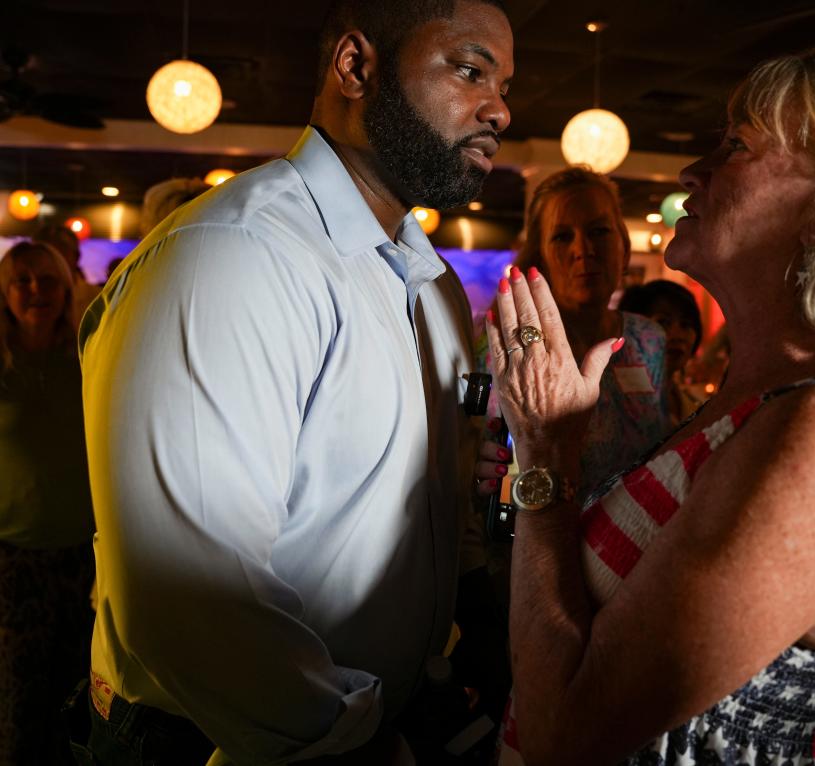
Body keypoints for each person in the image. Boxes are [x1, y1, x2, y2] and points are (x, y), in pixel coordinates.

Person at [484, 45, 815, 765]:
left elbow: (564, 738)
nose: (690, 172)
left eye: (736, 145)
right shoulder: (766, 393)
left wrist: (546, 453)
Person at [75, 1, 513, 764]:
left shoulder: (433, 286)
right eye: (470, 70)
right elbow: (193, 605)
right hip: (231, 740)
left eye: (505, 83)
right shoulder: (236, 254)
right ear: (355, 67)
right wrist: (359, 740)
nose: (500, 108)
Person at [477, 168, 669, 504]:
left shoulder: (649, 339)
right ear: (541, 256)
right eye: (562, 236)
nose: (584, 249)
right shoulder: (507, 345)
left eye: (599, 231)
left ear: (623, 248)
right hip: (534, 539)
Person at [0, 241, 95, 764]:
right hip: (14, 557)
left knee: (77, 692)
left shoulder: (86, 353)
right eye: (23, 280)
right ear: (5, 293)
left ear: (66, 288)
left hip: (84, 555)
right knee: (19, 697)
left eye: (48, 279)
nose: (37, 290)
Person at [619, 279, 704, 425]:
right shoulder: (615, 399)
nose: (677, 336)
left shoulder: (694, 406)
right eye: (663, 322)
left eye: (686, 324)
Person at [34, 223, 101, 329]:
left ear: (76, 256)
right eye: (44, 256)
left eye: (60, 254)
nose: (53, 262)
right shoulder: (28, 296)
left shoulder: (97, 298)